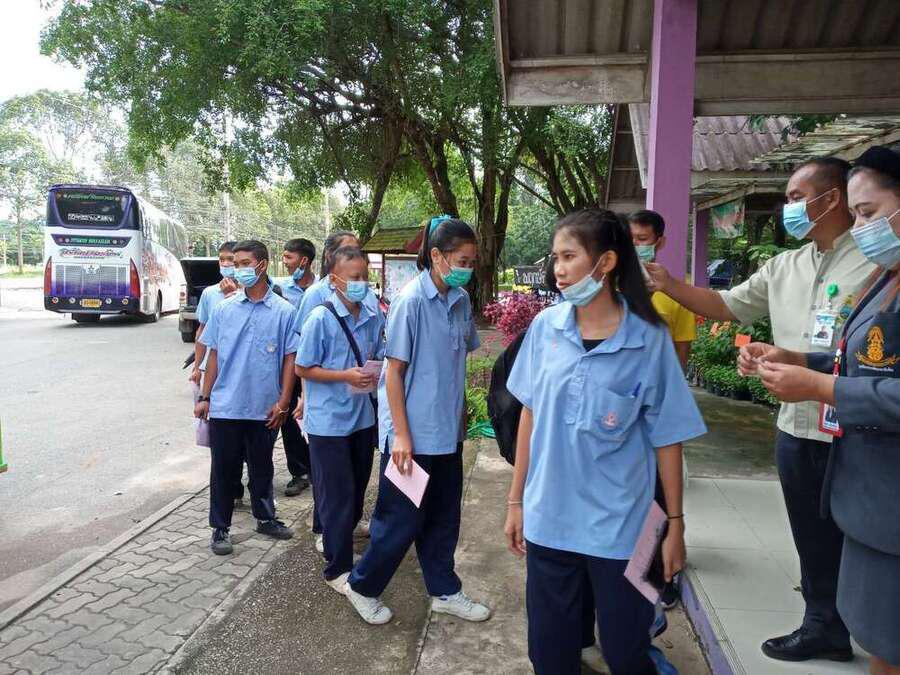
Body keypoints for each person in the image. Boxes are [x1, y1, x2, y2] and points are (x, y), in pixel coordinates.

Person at [646, 157, 875, 662]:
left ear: (831, 199)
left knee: (862, 531)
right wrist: (668, 284)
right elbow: (726, 305)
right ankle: (824, 625)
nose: (788, 207)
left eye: (796, 197)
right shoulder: (785, 266)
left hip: (858, 425)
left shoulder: (878, 263)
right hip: (796, 423)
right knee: (810, 533)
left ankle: (872, 624)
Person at [502, 209, 706, 675]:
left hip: (622, 529)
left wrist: (675, 524)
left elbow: (668, 438)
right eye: (555, 257)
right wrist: (516, 500)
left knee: (626, 650)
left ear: (607, 262)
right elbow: (529, 415)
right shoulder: (546, 329)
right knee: (549, 653)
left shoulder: (648, 340)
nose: (558, 269)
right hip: (550, 520)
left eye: (568, 256)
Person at [740, 145, 900, 675]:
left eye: (869, 213)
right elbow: (863, 360)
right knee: (877, 624)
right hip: (865, 477)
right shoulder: (886, 278)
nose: (862, 228)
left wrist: (819, 385)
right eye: (857, 215)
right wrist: (798, 359)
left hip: (881, 477)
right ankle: (827, 626)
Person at [343, 216, 491, 625]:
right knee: (399, 522)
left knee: (444, 518)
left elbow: (457, 361)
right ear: (437, 256)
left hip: (447, 433)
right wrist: (402, 437)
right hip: (412, 438)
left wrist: (461, 411)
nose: (467, 269)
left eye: (472, 262)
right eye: (462, 261)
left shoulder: (460, 300)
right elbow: (394, 374)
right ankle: (362, 586)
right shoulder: (411, 302)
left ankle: (444, 589)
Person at [194, 240, 298, 555]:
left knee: (262, 468)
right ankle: (220, 528)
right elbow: (213, 356)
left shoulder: (284, 312)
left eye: (243, 263)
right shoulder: (223, 309)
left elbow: (290, 359)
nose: (236, 269)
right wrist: (204, 396)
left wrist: (284, 401)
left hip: (265, 407)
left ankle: (265, 518)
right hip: (226, 406)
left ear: (262, 265)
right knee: (223, 471)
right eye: (234, 263)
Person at [296, 246, 385, 593]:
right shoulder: (320, 318)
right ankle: (337, 568)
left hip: (362, 417)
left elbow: (379, 354)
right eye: (354, 277)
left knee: (357, 489)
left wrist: (376, 370)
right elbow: (303, 367)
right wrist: (344, 375)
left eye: (365, 276)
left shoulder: (372, 315)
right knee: (337, 497)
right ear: (334, 280)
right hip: (328, 424)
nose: (361, 282)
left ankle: (344, 547)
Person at [629, 210, 696, 371]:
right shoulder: (607, 285)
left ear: (659, 242)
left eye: (642, 239)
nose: (633, 244)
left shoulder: (678, 292)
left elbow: (682, 349)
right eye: (628, 238)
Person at [278, 238, 317, 497]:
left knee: (316, 417)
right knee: (291, 420)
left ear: (304, 261)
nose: (285, 262)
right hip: (290, 365)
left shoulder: (323, 289)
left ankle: (318, 468)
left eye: (288, 257)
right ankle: (299, 472)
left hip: (317, 367)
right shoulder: (280, 289)